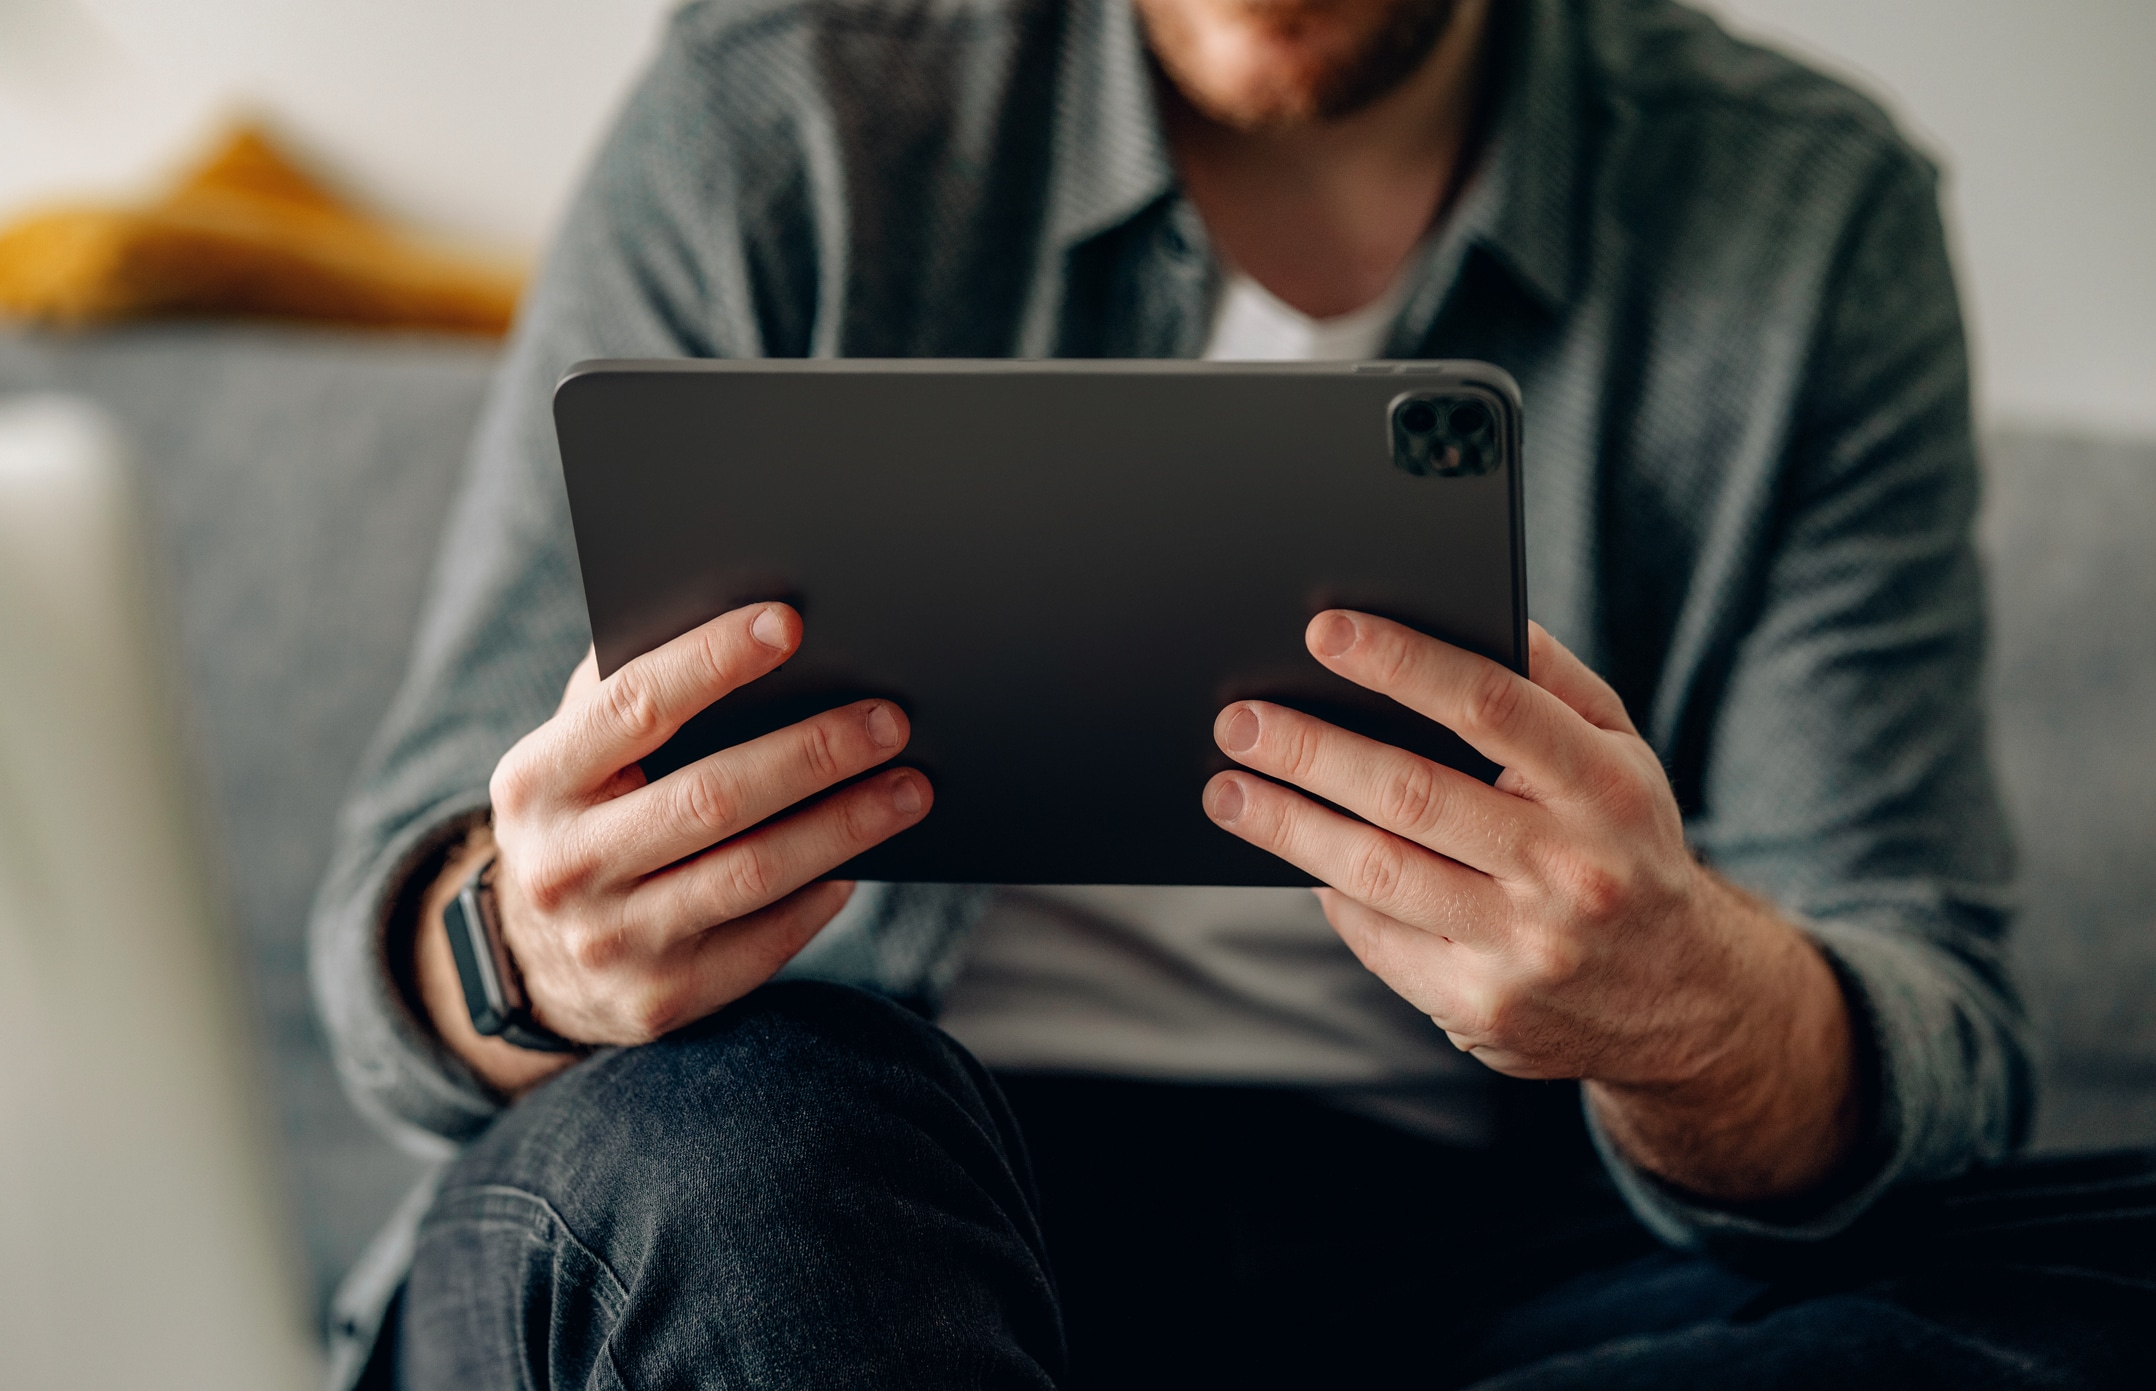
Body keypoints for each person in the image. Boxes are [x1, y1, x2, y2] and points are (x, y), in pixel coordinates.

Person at [309, 0, 2155, 1386]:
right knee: (766, 1147)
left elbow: (1933, 1028)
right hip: (809, 1216)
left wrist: (1687, 1005)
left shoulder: (1803, 211)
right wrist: (529, 952)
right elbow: (391, 942)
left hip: (1455, 1267)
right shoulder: (787, 107)